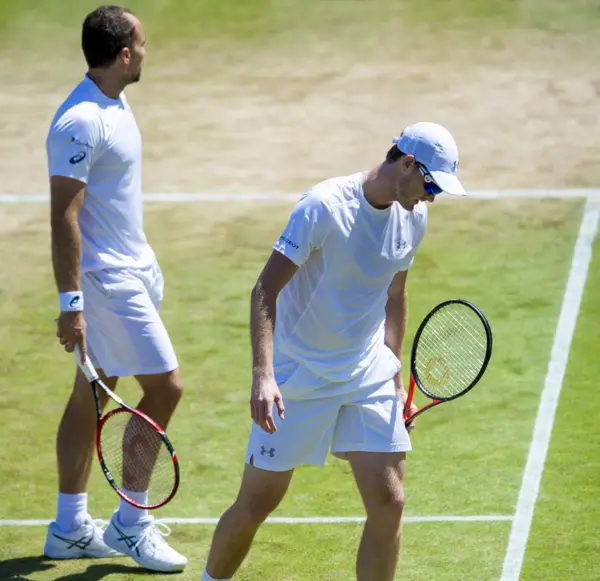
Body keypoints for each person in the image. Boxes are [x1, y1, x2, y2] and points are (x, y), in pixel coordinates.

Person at [201, 122, 467, 581]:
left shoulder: (414, 216)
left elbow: (394, 294)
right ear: (406, 163)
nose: (432, 197)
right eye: (430, 184)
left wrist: (395, 369)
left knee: (390, 502)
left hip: (367, 373)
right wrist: (263, 375)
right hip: (299, 376)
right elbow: (265, 289)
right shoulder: (324, 206)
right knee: (256, 504)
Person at [42, 5, 187, 573]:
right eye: (143, 45)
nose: (148, 53)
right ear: (124, 54)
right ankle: (131, 522)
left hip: (133, 270)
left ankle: (70, 527)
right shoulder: (81, 121)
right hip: (106, 282)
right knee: (166, 387)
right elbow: (63, 217)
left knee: (94, 392)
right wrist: (71, 305)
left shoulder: (113, 100)